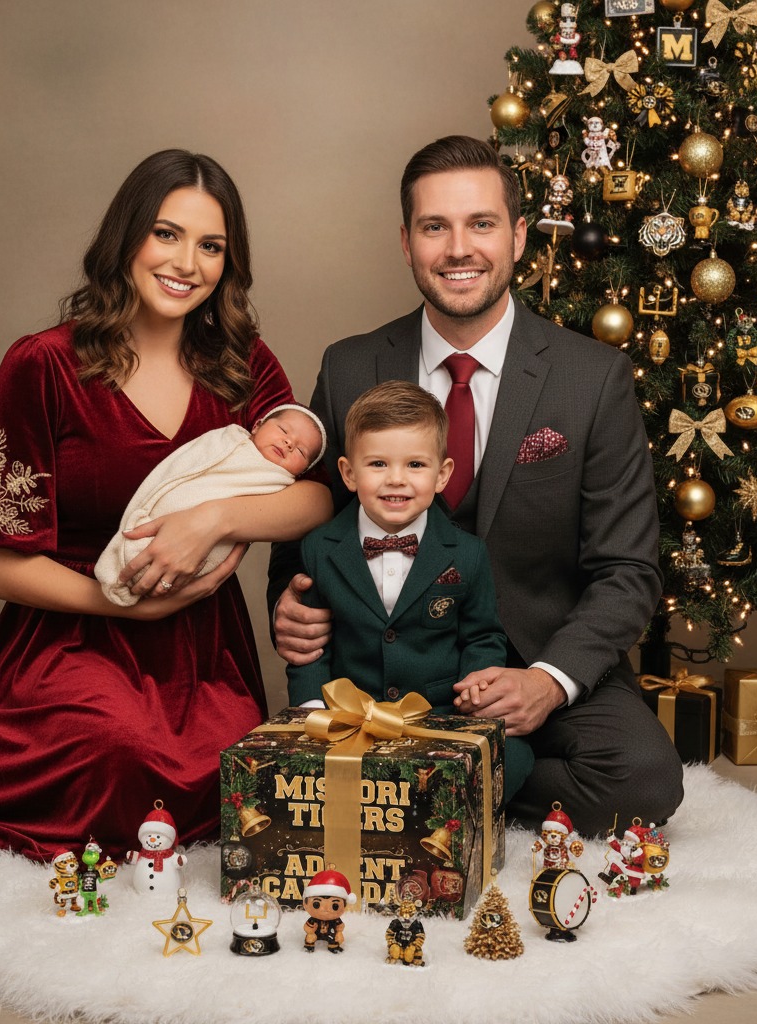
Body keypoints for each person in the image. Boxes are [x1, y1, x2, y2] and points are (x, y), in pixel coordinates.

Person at [0, 149, 332, 861]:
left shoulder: (240, 361)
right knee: (116, 751)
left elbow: (312, 496)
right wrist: (130, 603)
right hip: (71, 634)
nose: (187, 262)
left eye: (211, 245)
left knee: (228, 777)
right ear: (125, 237)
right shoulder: (43, 364)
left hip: (202, 650)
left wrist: (213, 521)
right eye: (166, 234)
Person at [270, 135, 683, 837]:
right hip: (386, 666)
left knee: (641, 779)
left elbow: (628, 569)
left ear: (519, 236)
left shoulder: (592, 379)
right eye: (436, 227)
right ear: (407, 242)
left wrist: (549, 681)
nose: (459, 248)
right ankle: (449, 778)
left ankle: (417, 786)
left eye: (481, 224)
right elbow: (311, 520)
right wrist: (290, 600)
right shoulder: (350, 367)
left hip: (534, 654)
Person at [285, 380, 534, 800]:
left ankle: (434, 810)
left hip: (437, 717)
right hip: (350, 719)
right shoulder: (318, 548)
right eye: (378, 464)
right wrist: (312, 714)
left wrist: (476, 684)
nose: (396, 480)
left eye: (416, 465)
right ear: (348, 473)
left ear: (442, 475)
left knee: (517, 757)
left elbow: (483, 635)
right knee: (299, 775)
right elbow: (309, 650)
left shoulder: (468, 553)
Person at [96, 403, 326, 606]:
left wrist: (215, 520)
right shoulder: (228, 441)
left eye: (300, 450)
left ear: (302, 472)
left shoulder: (279, 484)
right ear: (256, 425)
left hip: (201, 568)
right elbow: (184, 467)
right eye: (283, 430)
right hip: (165, 518)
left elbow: (318, 503)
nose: (288, 442)